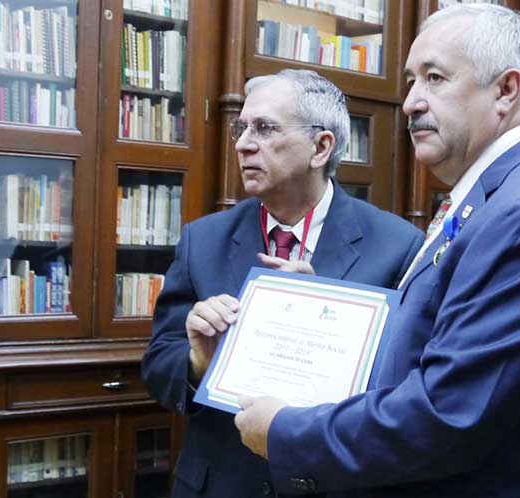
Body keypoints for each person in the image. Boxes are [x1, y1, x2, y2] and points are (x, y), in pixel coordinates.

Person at [234, 5, 520, 498]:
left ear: (505, 91)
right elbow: (433, 338)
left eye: (435, 78)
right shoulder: (493, 194)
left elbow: (449, 415)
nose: (412, 102)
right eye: (411, 81)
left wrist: (287, 432)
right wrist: (326, 319)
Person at [141, 69, 424, 498]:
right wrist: (199, 362)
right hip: (222, 485)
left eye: (265, 128)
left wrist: (327, 317)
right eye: (242, 128)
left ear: (320, 147)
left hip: (333, 484)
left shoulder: (399, 247)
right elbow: (159, 362)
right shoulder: (204, 239)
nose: (242, 143)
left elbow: (407, 385)